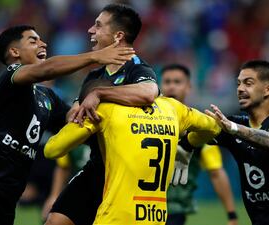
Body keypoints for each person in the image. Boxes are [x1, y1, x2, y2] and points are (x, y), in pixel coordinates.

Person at [0, 25, 134, 225]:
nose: (43, 43)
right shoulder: (9, 78)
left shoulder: (47, 98)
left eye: (41, 40)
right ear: (14, 52)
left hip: (7, 194)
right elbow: (47, 69)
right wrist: (95, 56)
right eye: (33, 40)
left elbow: (76, 123)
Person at [44, 80, 221, 225]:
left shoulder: (106, 110)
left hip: (116, 216)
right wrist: (188, 145)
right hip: (156, 217)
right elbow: (214, 128)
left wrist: (76, 116)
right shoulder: (173, 108)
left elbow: (52, 150)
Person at [44, 4, 159, 225]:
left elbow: (148, 93)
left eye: (98, 25)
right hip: (97, 166)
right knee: (55, 221)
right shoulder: (94, 75)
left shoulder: (138, 69)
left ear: (118, 35)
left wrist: (99, 94)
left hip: (125, 172)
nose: (90, 30)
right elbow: (74, 115)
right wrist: (76, 114)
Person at [188, 60, 269, 225]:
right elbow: (203, 130)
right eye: (238, 83)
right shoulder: (235, 124)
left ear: (268, 89)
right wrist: (186, 145)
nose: (240, 89)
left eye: (248, 83)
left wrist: (233, 128)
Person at [160, 64, 238, 225]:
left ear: (189, 87)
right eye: (167, 81)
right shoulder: (147, 117)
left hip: (174, 209)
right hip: (141, 203)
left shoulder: (201, 127)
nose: (171, 86)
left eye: (177, 82)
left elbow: (216, 172)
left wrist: (231, 215)